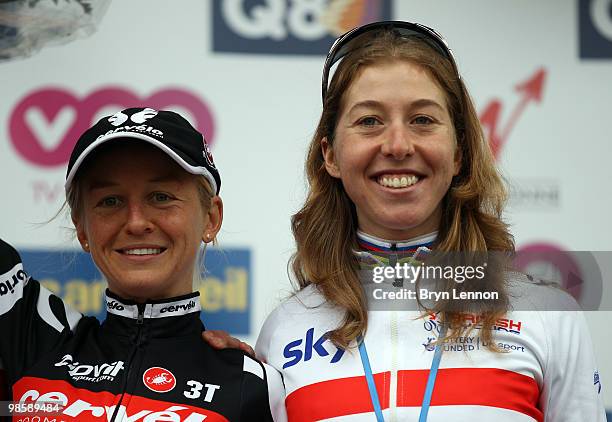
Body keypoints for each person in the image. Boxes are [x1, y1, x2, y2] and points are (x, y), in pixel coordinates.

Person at [207, 21, 606, 421]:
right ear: (330, 155)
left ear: (459, 152)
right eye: (369, 121)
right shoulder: (283, 330)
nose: (397, 146)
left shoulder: (546, 313)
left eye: (422, 120)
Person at [0, 107, 286, 421]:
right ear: (82, 227)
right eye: (110, 201)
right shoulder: (31, 336)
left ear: (211, 217)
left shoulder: (250, 384)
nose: (136, 222)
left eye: (161, 196)